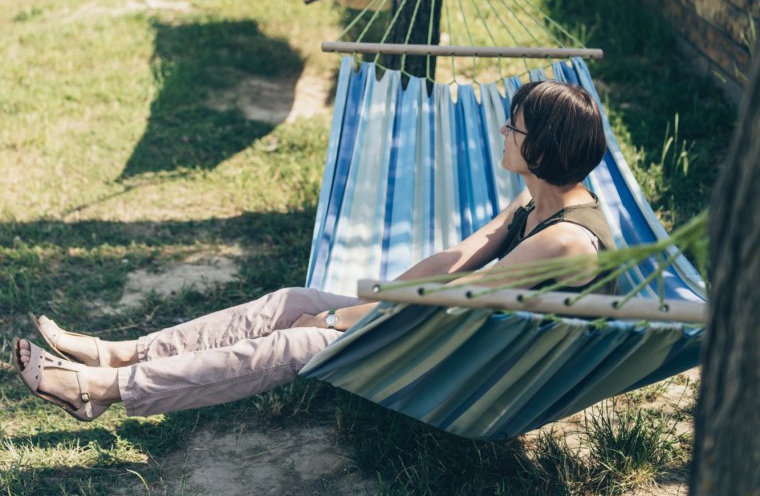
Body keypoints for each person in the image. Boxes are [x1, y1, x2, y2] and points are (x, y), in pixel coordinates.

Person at [13, 79, 613, 423]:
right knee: (292, 300)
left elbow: (455, 299)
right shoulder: (535, 202)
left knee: (298, 338)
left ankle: (106, 391)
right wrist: (359, 306)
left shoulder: (565, 239)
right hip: (458, 336)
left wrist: (346, 319)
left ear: (546, 147)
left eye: (516, 128)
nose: (504, 134)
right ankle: (120, 355)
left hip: (478, 372)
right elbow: (455, 261)